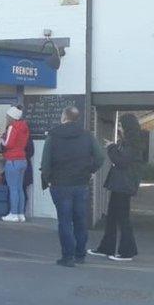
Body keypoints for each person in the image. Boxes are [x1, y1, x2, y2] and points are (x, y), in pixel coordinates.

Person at [40, 106, 105, 267]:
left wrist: (47, 179)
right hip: (80, 183)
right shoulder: (87, 136)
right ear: (77, 118)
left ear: (63, 117)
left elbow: (45, 162)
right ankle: (80, 255)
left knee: (64, 221)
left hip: (60, 184)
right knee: (80, 220)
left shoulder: (53, 135)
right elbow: (100, 157)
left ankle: (67, 257)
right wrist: (90, 171)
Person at [89, 114, 143, 262]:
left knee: (122, 218)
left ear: (127, 126)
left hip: (123, 185)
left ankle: (127, 251)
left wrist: (111, 147)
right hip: (120, 184)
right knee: (112, 217)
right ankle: (106, 247)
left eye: (121, 125)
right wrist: (114, 146)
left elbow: (121, 161)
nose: (119, 127)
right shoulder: (129, 142)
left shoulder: (133, 143)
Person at [0, 105, 30, 222]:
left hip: (12, 160)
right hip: (22, 160)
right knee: (19, 188)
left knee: (13, 188)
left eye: (7, 116)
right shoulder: (24, 127)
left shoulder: (12, 127)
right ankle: (21, 214)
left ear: (12, 117)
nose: (6, 118)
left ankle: (13, 213)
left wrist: (1, 139)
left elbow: (8, 144)